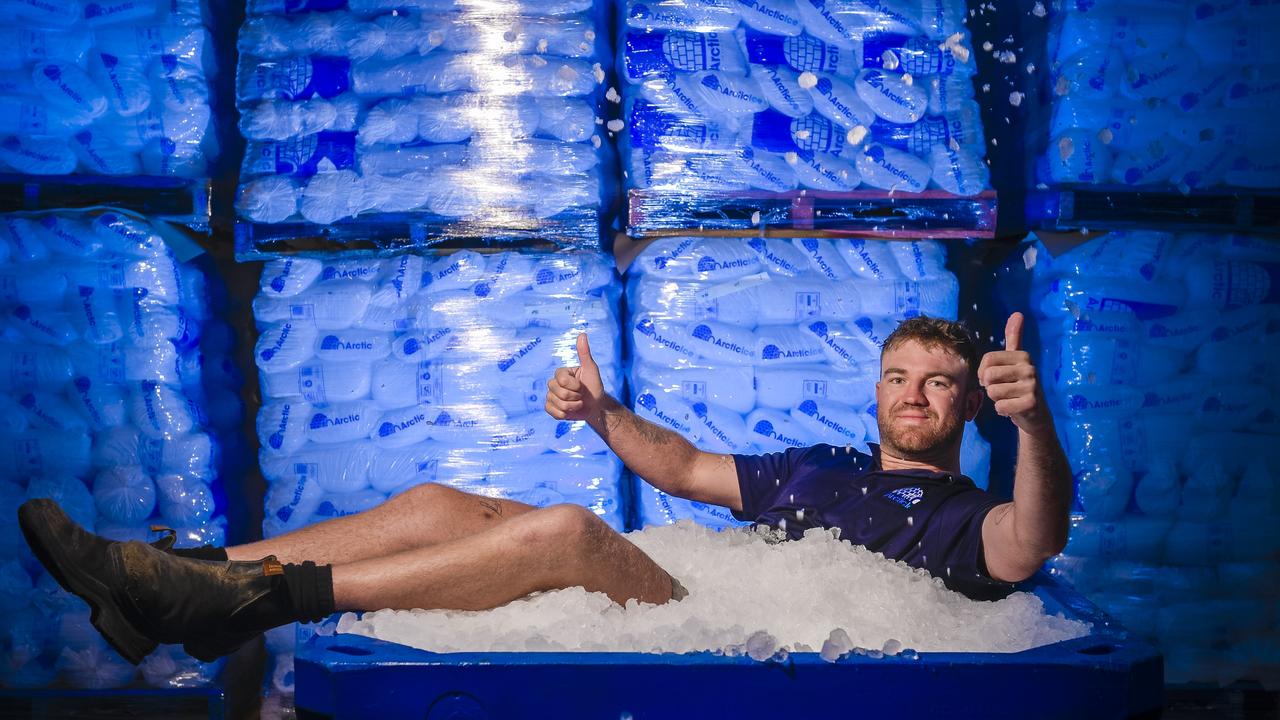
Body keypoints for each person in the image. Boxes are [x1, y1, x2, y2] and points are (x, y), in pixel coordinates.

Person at [18, 313, 1070, 665]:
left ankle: (250, 605)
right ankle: (175, 577)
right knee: (435, 500)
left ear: (968, 407)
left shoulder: (963, 519)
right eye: (896, 378)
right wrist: (602, 414)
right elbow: (683, 468)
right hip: (721, 588)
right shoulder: (823, 471)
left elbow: (1028, 546)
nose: (912, 397)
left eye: (938, 384)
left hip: (756, 640)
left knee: (567, 530)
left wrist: (1031, 421)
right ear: (875, 392)